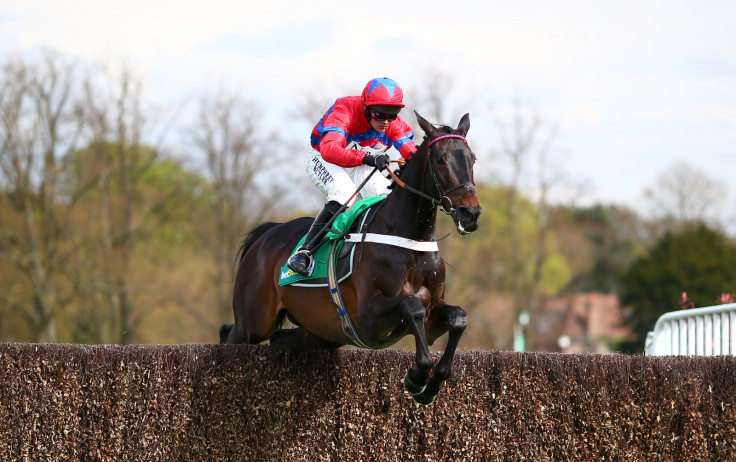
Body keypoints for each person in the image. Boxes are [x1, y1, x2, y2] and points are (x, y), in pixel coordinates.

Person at [287, 77, 418, 276]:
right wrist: (367, 157)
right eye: (380, 115)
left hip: (358, 163)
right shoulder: (345, 109)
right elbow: (329, 150)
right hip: (324, 159)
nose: (385, 122)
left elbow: (412, 154)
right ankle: (304, 252)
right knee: (345, 194)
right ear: (366, 107)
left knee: (387, 195)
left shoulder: (393, 124)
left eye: (392, 116)